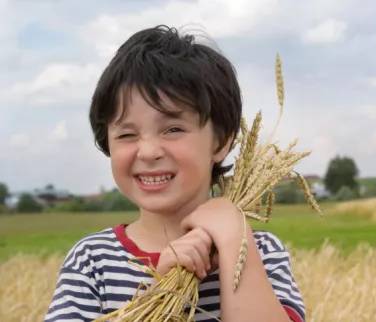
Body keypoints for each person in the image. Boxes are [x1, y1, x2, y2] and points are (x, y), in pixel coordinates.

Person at [44, 25, 306, 322]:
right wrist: (158, 296)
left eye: (173, 129)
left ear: (221, 142)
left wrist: (234, 239)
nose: (148, 151)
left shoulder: (261, 252)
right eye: (127, 134)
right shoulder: (92, 261)